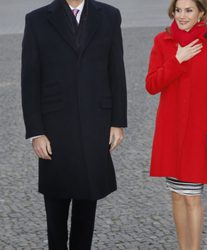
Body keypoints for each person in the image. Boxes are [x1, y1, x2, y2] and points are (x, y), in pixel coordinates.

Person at [21, 0, 127, 249]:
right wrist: (36, 132)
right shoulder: (36, 20)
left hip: (95, 124)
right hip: (55, 128)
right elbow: (30, 80)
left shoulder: (110, 16)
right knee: (56, 204)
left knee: (87, 202)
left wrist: (117, 122)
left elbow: (116, 71)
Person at [145, 0, 207, 249]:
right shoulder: (162, 42)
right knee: (176, 195)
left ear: (201, 13)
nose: (182, 16)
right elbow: (152, 85)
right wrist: (177, 59)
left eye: (188, 10)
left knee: (192, 197)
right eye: (178, 10)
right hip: (170, 131)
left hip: (198, 131)